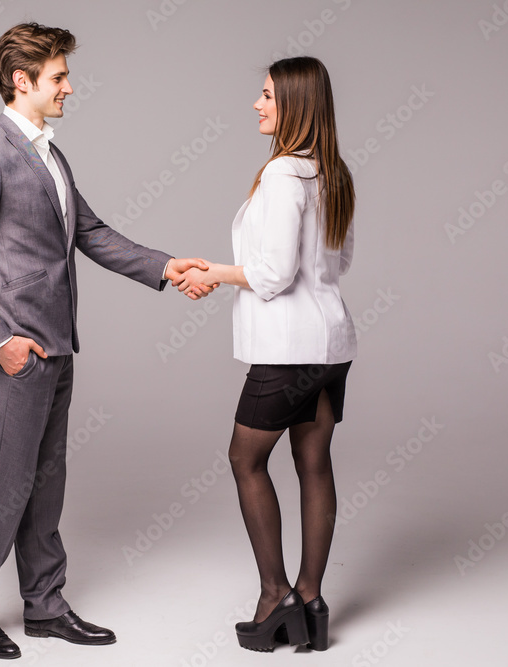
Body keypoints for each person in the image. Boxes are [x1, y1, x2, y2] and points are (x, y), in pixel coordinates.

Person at [0, 22, 213, 660]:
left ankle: (45, 607)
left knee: (47, 481)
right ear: (21, 80)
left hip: (58, 347)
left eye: (65, 75)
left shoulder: (50, 154)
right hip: (19, 354)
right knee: (9, 481)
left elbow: (92, 233)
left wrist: (169, 268)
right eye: (58, 77)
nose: (69, 87)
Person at [175, 55, 357, 653]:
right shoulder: (332, 173)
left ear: (296, 106)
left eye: (267, 96)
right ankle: (311, 599)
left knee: (245, 459)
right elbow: (337, 263)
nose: (257, 105)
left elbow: (274, 275)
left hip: (288, 350)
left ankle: (274, 595)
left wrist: (212, 272)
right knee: (314, 465)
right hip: (332, 346)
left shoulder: (282, 175)